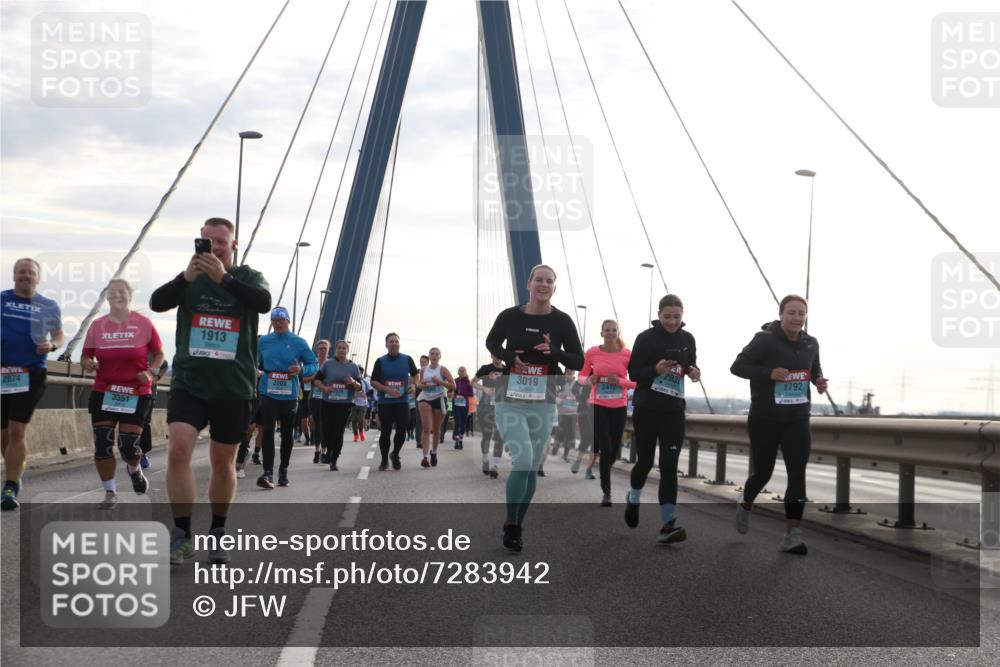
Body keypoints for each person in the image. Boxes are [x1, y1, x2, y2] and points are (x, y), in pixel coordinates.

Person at [150, 217, 270, 564]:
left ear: (234, 244)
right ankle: (182, 534)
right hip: (191, 382)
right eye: (207, 242)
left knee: (223, 462)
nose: (214, 247)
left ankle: (217, 531)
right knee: (178, 451)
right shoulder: (190, 278)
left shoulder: (248, 277)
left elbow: (262, 302)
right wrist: (186, 277)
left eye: (221, 241)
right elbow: (158, 302)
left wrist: (224, 279)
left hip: (233, 387)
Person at [486, 264, 583, 552]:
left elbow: (577, 360)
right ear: (528, 284)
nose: (543, 284)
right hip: (510, 400)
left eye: (549, 281)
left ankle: (515, 524)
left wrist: (555, 353)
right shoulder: (510, 316)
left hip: (543, 402)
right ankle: (512, 524)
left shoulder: (563, 322)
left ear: (555, 287)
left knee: (530, 469)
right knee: (524, 460)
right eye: (538, 279)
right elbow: (492, 341)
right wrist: (506, 357)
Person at [731, 294, 828, 555]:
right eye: (792, 313)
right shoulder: (764, 340)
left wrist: (818, 381)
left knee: (797, 474)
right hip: (765, 417)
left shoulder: (811, 343)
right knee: (763, 473)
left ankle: (792, 535)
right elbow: (737, 366)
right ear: (781, 314)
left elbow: (814, 368)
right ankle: (747, 501)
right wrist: (768, 373)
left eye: (801, 313)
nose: (797, 318)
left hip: (797, 418)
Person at [81, 279, 164, 509]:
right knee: (103, 444)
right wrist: (88, 362)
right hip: (104, 389)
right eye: (112, 292)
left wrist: (151, 372)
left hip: (135, 391)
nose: (117, 296)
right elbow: (86, 355)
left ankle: (134, 470)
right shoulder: (98, 326)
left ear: (129, 296)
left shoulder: (143, 324)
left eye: (121, 292)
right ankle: (110, 492)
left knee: (128, 446)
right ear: (107, 297)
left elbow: (159, 354)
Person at [625, 295, 700, 544]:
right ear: (659, 315)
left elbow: (691, 364)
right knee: (645, 462)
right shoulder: (646, 338)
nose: (672, 321)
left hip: (673, 411)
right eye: (667, 316)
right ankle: (633, 499)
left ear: (682, 315)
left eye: (677, 317)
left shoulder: (687, 339)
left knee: (669, 466)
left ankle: (668, 525)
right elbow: (634, 372)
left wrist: (693, 371)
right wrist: (655, 371)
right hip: (647, 409)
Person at [1, 258, 64, 511]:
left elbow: (59, 333)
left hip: (32, 372)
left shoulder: (48, 305)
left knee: (17, 431)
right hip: (3, 372)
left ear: (38, 278)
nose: (26, 276)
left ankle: (10, 485)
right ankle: (17, 465)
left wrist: (53, 345)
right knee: (3, 434)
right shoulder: (2, 299)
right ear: (14, 275)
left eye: (31, 273)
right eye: (21, 272)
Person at [255, 306, 318, 488]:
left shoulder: (299, 342)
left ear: (288, 321)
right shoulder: (264, 341)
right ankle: (268, 473)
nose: (277, 324)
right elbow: (253, 358)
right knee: (267, 430)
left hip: (289, 392)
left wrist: (302, 370)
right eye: (274, 321)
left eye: (281, 320)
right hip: (268, 389)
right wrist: (256, 370)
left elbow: (313, 364)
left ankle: (283, 470)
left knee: (287, 433)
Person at [578, 320, 635, 506]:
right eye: (607, 330)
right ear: (601, 332)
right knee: (606, 446)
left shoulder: (627, 354)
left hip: (619, 406)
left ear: (618, 332)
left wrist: (620, 382)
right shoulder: (592, 352)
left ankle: (604, 472)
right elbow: (581, 377)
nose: (610, 333)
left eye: (614, 330)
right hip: (597, 405)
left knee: (614, 449)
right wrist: (589, 379)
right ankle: (607, 493)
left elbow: (636, 382)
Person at [369, 333, 419, 471]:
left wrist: (414, 385)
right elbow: (373, 381)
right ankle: (384, 459)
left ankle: (395, 454)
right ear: (386, 345)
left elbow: (416, 374)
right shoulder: (380, 361)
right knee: (385, 432)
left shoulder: (407, 359)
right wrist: (386, 389)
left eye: (396, 341)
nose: (394, 343)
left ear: (399, 343)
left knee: (402, 430)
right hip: (385, 402)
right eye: (391, 341)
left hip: (402, 401)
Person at [314, 340, 362, 470]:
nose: (341, 350)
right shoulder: (328, 364)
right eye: (339, 348)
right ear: (336, 350)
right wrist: (324, 388)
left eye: (344, 348)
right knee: (327, 431)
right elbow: (316, 380)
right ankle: (329, 450)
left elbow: (359, 387)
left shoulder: (353, 367)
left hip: (344, 404)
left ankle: (334, 458)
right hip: (327, 402)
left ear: (347, 350)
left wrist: (353, 382)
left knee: (338, 431)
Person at [416, 347, 455, 468]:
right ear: (429, 356)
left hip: (439, 398)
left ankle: (434, 452)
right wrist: (422, 385)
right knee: (426, 428)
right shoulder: (423, 370)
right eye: (432, 354)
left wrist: (440, 382)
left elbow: (453, 386)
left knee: (436, 429)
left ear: (440, 356)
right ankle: (425, 457)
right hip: (425, 398)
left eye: (436, 354)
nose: (434, 356)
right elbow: (419, 384)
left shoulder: (442, 370)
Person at [473, 355, 505, 477]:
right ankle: (485, 459)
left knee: (499, 436)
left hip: (502, 406)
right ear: (491, 356)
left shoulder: (506, 370)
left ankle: (495, 465)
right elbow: (473, 382)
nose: (498, 358)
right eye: (495, 356)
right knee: (487, 435)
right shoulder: (486, 368)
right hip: (486, 406)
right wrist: (484, 388)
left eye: (499, 355)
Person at [138, 360, 169, 470]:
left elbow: (164, 364)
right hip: (130, 391)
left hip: (148, 394)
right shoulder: (128, 346)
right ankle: (130, 453)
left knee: (144, 423)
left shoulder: (152, 352)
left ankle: (142, 454)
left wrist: (157, 378)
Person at [309, 340, 330, 463]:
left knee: (325, 426)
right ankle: (317, 450)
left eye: (324, 348)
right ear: (317, 350)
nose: (322, 350)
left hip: (327, 399)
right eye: (320, 348)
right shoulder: (312, 364)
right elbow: (304, 379)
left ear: (328, 350)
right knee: (316, 425)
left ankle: (324, 452)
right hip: (314, 398)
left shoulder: (331, 364)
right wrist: (315, 377)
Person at [552, 369, 579, 462]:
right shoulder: (560, 384)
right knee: (560, 431)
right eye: (567, 373)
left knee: (570, 434)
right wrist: (563, 400)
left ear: (574, 374)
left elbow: (579, 398)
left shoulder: (577, 384)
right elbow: (555, 397)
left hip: (573, 413)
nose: (569, 375)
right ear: (564, 374)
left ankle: (565, 455)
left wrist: (572, 399)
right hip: (562, 413)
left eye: (571, 373)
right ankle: (557, 444)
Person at [450, 366, 474, 450]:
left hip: (464, 405)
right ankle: (456, 441)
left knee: (463, 424)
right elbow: (449, 391)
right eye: (460, 370)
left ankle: (460, 440)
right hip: (456, 405)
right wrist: (451, 394)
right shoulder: (455, 381)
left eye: (463, 370)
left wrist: (462, 393)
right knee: (457, 422)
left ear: (466, 372)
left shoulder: (468, 382)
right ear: (458, 372)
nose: (461, 372)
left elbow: (471, 394)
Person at [350, 365, 368, 443]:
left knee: (360, 419)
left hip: (363, 403)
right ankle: (355, 435)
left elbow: (370, 392)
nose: (358, 373)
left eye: (359, 372)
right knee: (353, 420)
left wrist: (367, 394)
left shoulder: (365, 382)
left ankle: (361, 432)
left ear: (361, 373)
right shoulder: (352, 380)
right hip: (354, 403)